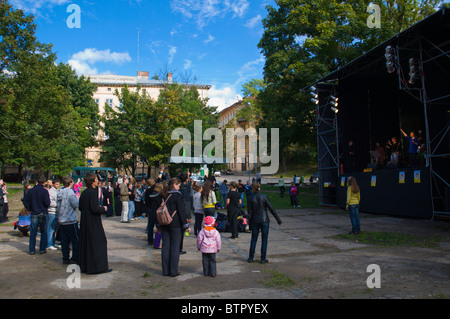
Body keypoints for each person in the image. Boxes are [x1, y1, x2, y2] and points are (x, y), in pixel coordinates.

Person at [78, 173, 111, 274]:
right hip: (93, 221)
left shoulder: (84, 193)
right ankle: (98, 267)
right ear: (93, 182)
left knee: (87, 243)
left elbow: (80, 207)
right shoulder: (92, 192)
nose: (98, 181)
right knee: (99, 243)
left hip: (85, 221)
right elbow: (94, 208)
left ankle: (85, 266)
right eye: (96, 179)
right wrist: (103, 209)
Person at [247, 182, 282, 264]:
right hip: (264, 220)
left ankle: (251, 258)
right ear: (259, 188)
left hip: (255, 220)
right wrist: (278, 220)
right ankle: (263, 259)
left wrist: (249, 224)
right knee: (264, 240)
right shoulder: (264, 196)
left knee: (253, 239)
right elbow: (271, 208)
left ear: (252, 188)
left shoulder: (250, 198)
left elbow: (249, 213)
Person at [160, 178, 188, 277]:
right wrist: (185, 224)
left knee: (165, 246)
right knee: (175, 247)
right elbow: (181, 211)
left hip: (164, 223)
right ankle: (173, 270)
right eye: (178, 185)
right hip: (175, 224)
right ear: (175, 185)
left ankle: (165, 270)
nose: (179, 187)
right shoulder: (177, 196)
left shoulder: (163, 195)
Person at [23, 175, 51, 255]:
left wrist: (29, 208)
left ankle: (32, 249)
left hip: (34, 212)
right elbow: (47, 203)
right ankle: (42, 248)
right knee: (43, 232)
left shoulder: (31, 191)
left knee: (33, 232)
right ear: (44, 183)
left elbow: (25, 201)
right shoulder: (44, 191)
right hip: (43, 212)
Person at [57, 177, 80, 264]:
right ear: (70, 183)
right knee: (75, 240)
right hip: (70, 220)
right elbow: (75, 204)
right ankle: (75, 257)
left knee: (64, 241)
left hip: (62, 220)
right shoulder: (70, 193)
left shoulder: (60, 192)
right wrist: (77, 198)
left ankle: (65, 257)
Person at [47, 179, 60, 251]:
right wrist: (57, 204)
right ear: (53, 184)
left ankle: (53, 242)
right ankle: (49, 244)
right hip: (52, 211)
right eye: (56, 184)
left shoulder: (57, 191)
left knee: (54, 229)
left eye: (58, 184)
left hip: (56, 212)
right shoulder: (51, 192)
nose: (58, 186)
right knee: (50, 229)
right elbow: (50, 202)